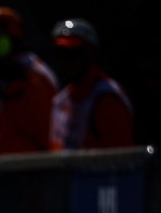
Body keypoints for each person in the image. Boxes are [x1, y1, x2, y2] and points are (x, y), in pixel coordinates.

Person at [0, 7, 57, 158]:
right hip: (2, 172)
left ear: (3, 44)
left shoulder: (32, 80)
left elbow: (35, 141)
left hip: (25, 174)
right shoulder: (2, 77)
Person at [48, 18, 135, 150]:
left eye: (75, 53)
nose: (67, 61)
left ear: (90, 54)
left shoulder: (106, 99)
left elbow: (121, 161)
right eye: (61, 54)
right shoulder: (60, 101)